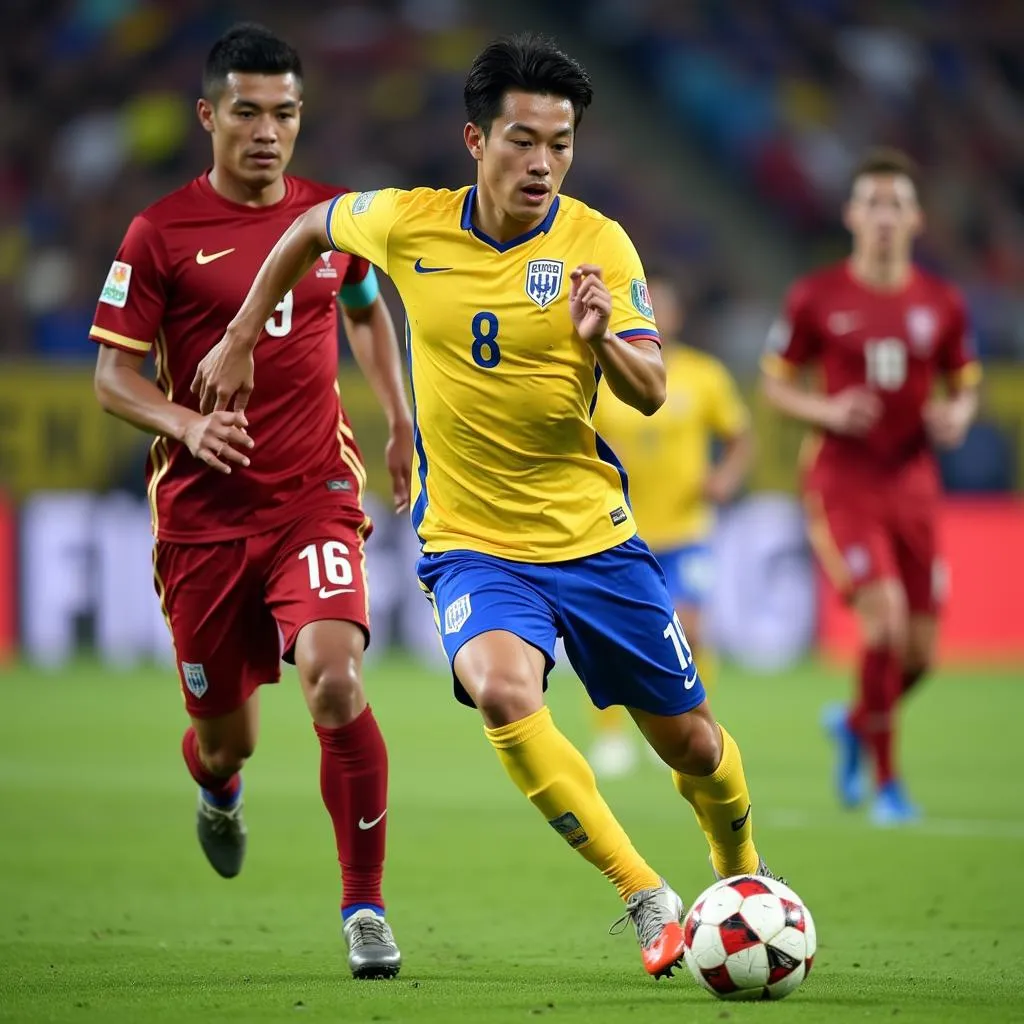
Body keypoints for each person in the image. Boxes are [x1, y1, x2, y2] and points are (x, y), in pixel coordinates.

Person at [193, 33, 779, 979]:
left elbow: (653, 389)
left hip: (595, 542)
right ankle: (644, 894)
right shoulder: (407, 223)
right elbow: (306, 230)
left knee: (696, 745)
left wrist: (601, 342)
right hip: (470, 541)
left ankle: (743, 875)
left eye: (560, 143)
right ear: (475, 140)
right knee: (504, 691)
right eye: (522, 140)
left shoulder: (600, 243)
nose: (542, 162)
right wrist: (242, 333)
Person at [90, 23, 408, 977]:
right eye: (247, 113)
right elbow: (112, 378)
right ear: (208, 117)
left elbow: (363, 308)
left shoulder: (329, 218)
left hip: (312, 494)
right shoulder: (159, 233)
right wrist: (184, 425)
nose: (268, 133)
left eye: (285, 114)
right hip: (200, 521)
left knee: (336, 678)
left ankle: (363, 908)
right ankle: (215, 787)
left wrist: (397, 416)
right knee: (226, 740)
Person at [761, 148, 980, 826]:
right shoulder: (816, 296)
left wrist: (957, 414)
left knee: (919, 655)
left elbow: (964, 380)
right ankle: (888, 785)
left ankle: (854, 723)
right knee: (881, 620)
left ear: (916, 219)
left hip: (913, 484)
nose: (884, 216)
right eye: (872, 203)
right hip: (843, 482)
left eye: (897, 205)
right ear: (853, 215)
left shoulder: (940, 303)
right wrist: (826, 411)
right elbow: (775, 382)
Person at [588, 274, 753, 778]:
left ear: (677, 316)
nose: (655, 313)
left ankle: (689, 724)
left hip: (687, 531)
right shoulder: (605, 374)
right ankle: (611, 737)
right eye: (645, 304)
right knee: (611, 639)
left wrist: (724, 477)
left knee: (691, 629)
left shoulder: (705, 376)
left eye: (663, 305)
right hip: (621, 531)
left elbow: (741, 437)